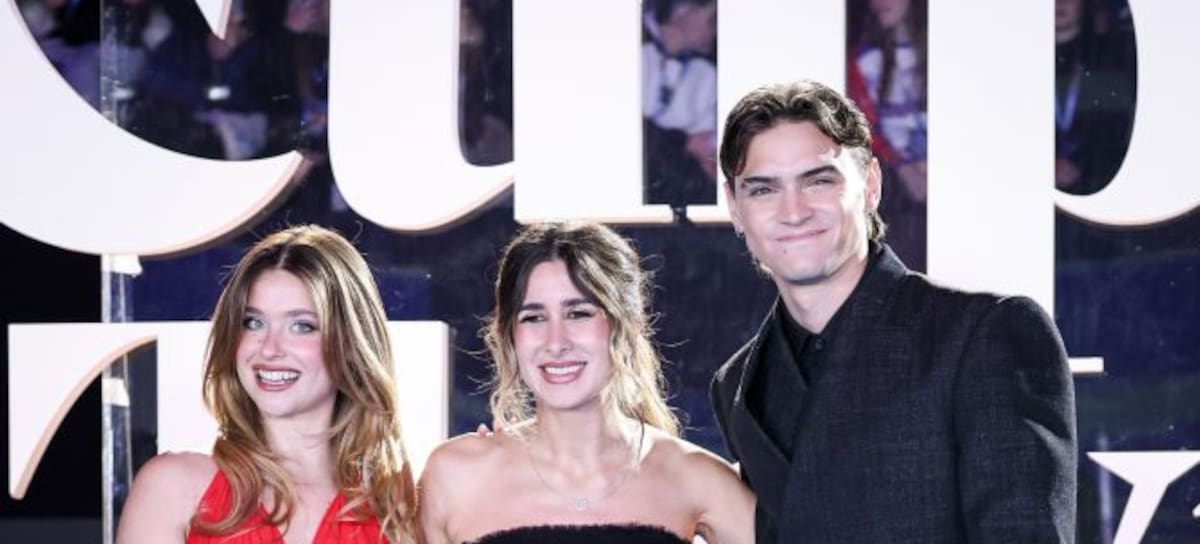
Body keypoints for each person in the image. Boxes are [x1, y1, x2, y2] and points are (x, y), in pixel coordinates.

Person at [710, 81, 1077, 542]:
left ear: (870, 186)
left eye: (818, 181)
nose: (794, 211)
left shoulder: (984, 336)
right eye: (763, 190)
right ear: (735, 208)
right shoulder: (738, 383)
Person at [420, 222, 754, 544]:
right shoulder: (455, 476)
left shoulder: (693, 478)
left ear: (628, 325)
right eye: (533, 317)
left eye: (578, 313)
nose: (556, 342)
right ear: (510, 336)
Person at [117, 225, 419, 544]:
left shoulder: (398, 508)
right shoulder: (173, 487)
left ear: (350, 343)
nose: (270, 349)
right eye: (253, 323)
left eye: (302, 326)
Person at [846, 0, 928, 270]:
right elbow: (863, 126)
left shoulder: (945, 52)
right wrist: (903, 168)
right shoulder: (864, 59)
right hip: (896, 182)